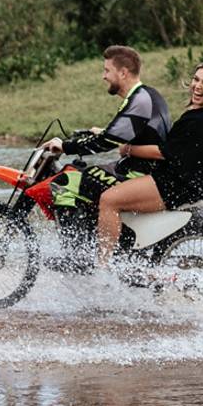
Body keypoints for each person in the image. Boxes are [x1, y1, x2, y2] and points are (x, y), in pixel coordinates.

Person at [97, 59, 203, 266]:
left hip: (174, 184)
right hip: (189, 183)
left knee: (109, 200)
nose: (197, 86)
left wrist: (128, 149)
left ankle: (102, 266)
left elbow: (163, 152)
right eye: (196, 79)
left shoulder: (200, 120)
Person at [41, 45, 171, 270]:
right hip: (139, 169)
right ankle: (95, 242)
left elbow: (108, 141)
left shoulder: (140, 100)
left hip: (139, 175)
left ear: (123, 73)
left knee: (65, 182)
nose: (104, 76)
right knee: (83, 174)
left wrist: (65, 146)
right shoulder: (146, 95)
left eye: (107, 70)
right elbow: (128, 132)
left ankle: (77, 257)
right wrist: (100, 132)